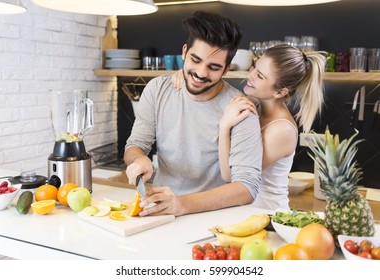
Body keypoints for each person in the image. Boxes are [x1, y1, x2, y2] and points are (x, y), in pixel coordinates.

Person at [124, 11, 262, 217]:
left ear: (226, 69)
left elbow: (246, 188)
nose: (201, 73)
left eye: (214, 67)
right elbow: (134, 146)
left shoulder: (241, 108)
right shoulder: (157, 89)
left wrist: (182, 204)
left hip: (215, 219)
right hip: (162, 213)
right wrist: (139, 159)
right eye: (195, 60)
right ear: (184, 52)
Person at [172, 44, 326, 210]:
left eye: (260, 76)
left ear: (280, 92)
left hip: (267, 218)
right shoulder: (253, 104)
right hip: (243, 213)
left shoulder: (282, 130)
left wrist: (225, 127)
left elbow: (231, 177)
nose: (250, 75)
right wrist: (186, 75)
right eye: (254, 66)